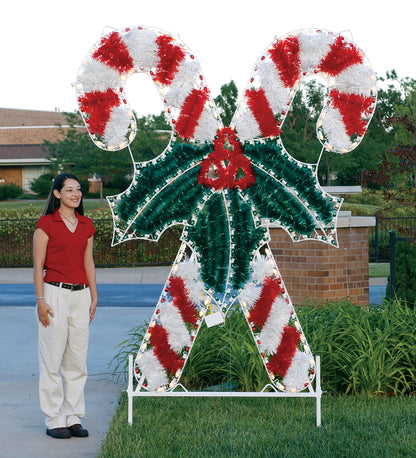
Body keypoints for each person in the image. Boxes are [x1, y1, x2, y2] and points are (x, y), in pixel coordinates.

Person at [33, 173, 97, 439]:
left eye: (79, 189)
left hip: (81, 297)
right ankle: (54, 419)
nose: (75, 194)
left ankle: (72, 417)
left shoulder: (86, 224)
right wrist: (40, 301)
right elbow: (38, 266)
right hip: (54, 295)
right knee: (51, 360)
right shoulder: (46, 224)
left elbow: (88, 263)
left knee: (77, 360)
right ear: (57, 194)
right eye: (69, 190)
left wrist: (94, 296)